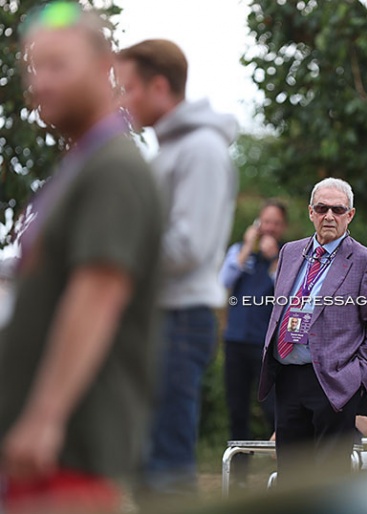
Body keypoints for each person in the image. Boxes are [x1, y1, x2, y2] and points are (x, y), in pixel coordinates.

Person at [0, 3, 163, 512]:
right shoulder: (82, 164)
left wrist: (44, 417)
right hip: (44, 453)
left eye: (57, 66)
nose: (40, 83)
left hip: (73, 449)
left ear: (103, 66)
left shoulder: (114, 168)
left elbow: (98, 294)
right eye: (33, 68)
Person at [115, 39, 239, 493]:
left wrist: (113, 257)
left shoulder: (202, 149)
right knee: (146, 471)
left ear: (160, 86)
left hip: (180, 319)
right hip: (157, 318)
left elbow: (188, 245)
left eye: (128, 88)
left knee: (166, 470)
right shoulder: (166, 150)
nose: (122, 100)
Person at [258, 177, 367, 486]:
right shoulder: (290, 253)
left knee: (330, 481)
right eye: (322, 208)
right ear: (311, 212)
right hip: (289, 374)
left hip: (335, 381)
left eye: (338, 209)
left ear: (350, 215)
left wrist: (358, 376)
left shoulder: (365, 261)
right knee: (291, 479)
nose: (329, 216)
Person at [219, 200, 288, 485]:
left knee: (275, 409)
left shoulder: (288, 256)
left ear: (282, 227)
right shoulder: (239, 251)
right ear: (257, 223)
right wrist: (248, 246)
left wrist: (273, 261)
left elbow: (288, 291)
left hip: (267, 346)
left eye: (275, 222)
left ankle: (286, 471)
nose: (269, 227)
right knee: (238, 410)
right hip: (235, 342)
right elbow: (224, 280)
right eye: (265, 221)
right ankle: (238, 479)